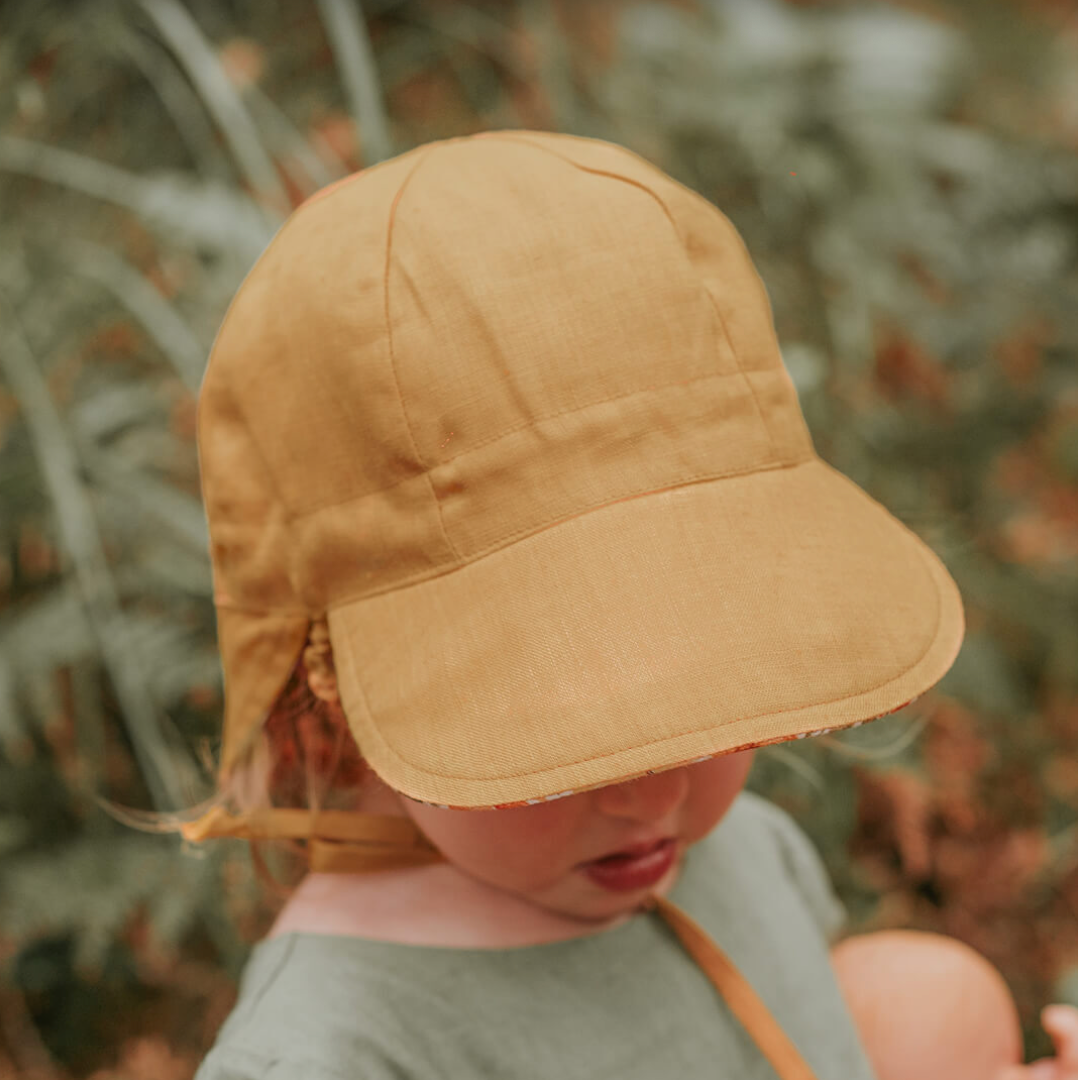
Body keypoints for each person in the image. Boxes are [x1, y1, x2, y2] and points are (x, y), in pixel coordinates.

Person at [171, 129, 1071, 1078]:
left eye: (694, 672)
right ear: (328, 682)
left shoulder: (736, 854)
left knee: (935, 1001)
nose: (655, 793)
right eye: (560, 717)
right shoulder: (335, 1050)